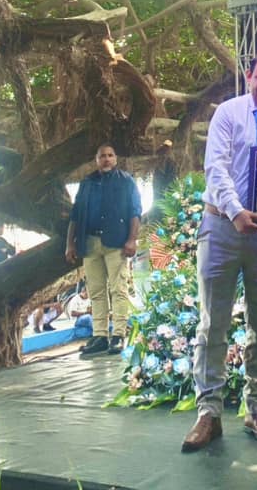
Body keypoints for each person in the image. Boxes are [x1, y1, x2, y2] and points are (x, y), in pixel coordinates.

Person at [181, 51, 257, 453]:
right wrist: (236, 212)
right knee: (212, 322)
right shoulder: (228, 113)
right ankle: (209, 413)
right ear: (249, 76)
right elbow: (215, 169)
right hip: (221, 226)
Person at [65, 143, 141, 358]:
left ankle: (118, 335)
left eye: (110, 155)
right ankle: (99, 336)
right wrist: (70, 244)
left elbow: (135, 212)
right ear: (96, 160)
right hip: (90, 242)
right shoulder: (87, 183)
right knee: (96, 291)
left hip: (116, 243)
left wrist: (132, 240)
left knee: (118, 289)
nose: (106, 159)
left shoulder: (126, 181)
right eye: (102, 156)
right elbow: (75, 215)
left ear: (115, 159)